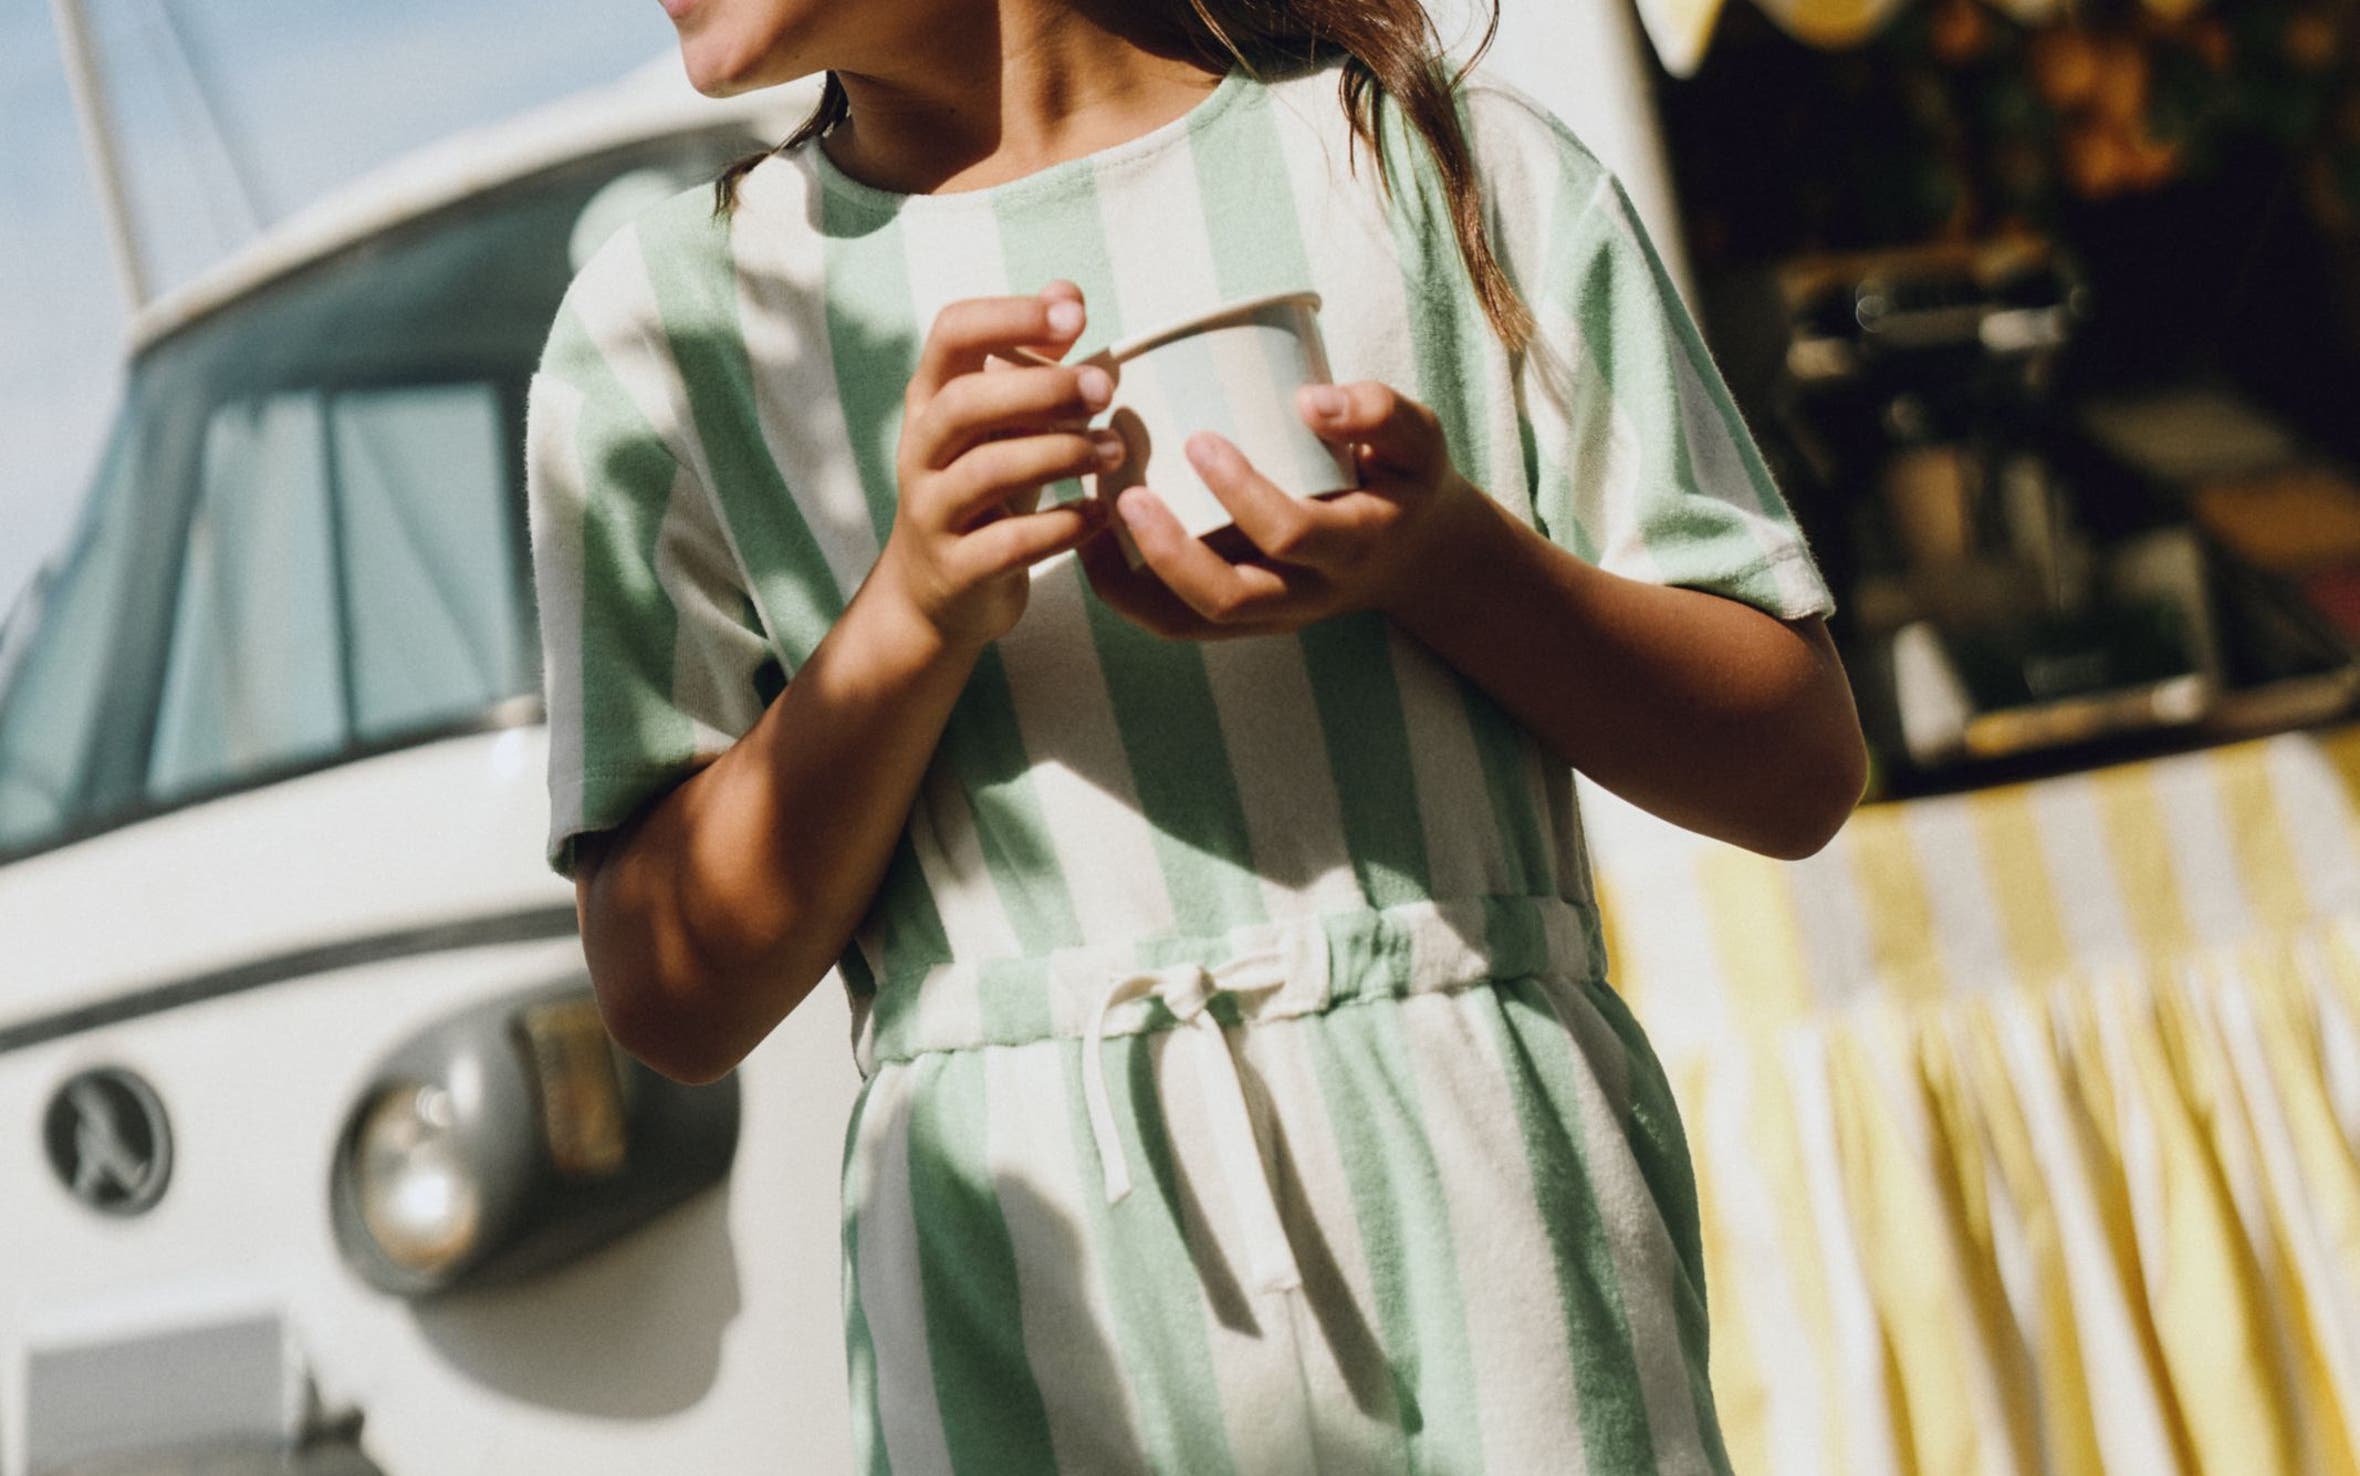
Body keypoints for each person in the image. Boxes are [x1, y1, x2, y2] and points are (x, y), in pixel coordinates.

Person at [526, 0, 1867, 1469]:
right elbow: (667, 998)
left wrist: (1447, 563)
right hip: (1027, 1306)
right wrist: (904, 619)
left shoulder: (1446, 173)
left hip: (1504, 1243)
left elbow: (1796, 766)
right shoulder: (667, 332)